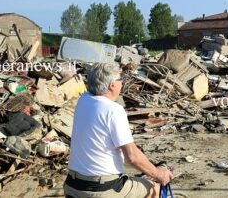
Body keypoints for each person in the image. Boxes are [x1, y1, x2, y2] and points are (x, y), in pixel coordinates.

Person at [64, 62, 173, 198]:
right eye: (120, 79)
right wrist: (158, 173)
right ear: (112, 85)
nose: (122, 83)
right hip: (101, 189)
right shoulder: (113, 110)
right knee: (154, 189)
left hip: (73, 184)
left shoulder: (83, 99)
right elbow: (132, 157)